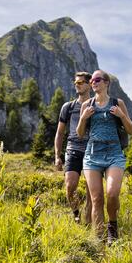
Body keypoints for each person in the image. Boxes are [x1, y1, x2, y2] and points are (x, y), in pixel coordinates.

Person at [76, 70, 132, 244]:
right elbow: (80, 134)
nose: (93, 82)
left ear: (107, 83)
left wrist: (121, 115)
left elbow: (131, 130)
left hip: (114, 153)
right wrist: (83, 118)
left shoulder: (118, 103)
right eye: (92, 80)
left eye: (97, 79)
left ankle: (112, 226)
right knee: (96, 198)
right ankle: (99, 238)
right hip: (92, 154)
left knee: (112, 193)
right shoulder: (86, 105)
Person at [55, 72, 93, 224]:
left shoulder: (95, 104)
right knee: (70, 186)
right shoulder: (68, 107)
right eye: (76, 83)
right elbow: (59, 133)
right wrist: (57, 156)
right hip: (73, 149)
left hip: (92, 150)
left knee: (92, 191)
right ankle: (76, 215)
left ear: (89, 84)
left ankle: (90, 221)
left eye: (81, 82)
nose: (77, 85)